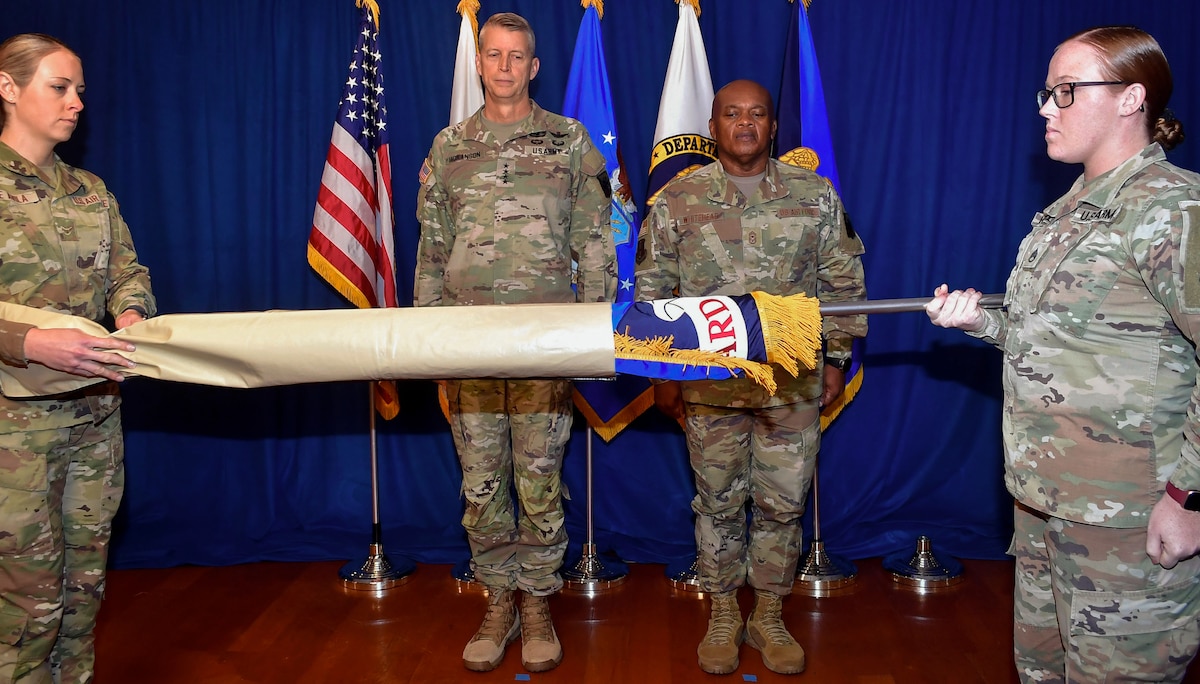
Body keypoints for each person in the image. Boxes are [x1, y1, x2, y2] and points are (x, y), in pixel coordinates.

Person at [927, 26, 1200, 683]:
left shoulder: (1174, 209)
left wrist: (1187, 497)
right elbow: (1054, 338)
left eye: (1066, 91)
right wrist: (981, 323)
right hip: (1047, 502)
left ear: (1132, 98)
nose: (1045, 108)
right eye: (1046, 93)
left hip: (1133, 519)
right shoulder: (1065, 214)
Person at [636, 79, 867, 676]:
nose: (744, 124)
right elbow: (653, 290)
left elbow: (842, 286)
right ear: (712, 126)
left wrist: (838, 359)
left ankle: (767, 612)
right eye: (732, 114)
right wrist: (660, 371)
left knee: (783, 503)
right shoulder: (677, 199)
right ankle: (720, 612)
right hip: (709, 381)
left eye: (757, 115)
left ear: (772, 127)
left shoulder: (814, 196)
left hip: (789, 379)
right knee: (716, 502)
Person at [413, 11, 614, 675]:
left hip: (545, 342)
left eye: (516, 56)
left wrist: (594, 328)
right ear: (480, 64)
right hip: (468, 344)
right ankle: (497, 599)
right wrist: (427, 334)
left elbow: (593, 238)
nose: (503, 66)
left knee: (537, 479)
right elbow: (432, 248)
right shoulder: (449, 147)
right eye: (493, 55)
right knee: (479, 483)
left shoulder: (567, 140)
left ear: (533, 67)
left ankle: (536, 603)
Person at [0, 33, 155, 684]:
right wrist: (28, 342)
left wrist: (130, 314)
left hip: (95, 419)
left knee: (83, 589)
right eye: (59, 87)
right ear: (9, 88)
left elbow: (128, 271)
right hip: (16, 434)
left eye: (80, 90)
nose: (76, 103)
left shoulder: (90, 191)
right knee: (26, 607)